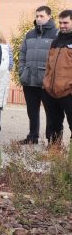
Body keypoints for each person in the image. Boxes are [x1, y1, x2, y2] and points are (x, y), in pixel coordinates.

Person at [18, 5, 58, 144]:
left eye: (42, 16)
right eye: (37, 16)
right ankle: (32, 136)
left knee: (51, 113)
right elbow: (22, 54)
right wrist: (22, 72)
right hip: (29, 80)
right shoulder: (29, 34)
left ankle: (51, 141)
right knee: (32, 112)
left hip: (46, 82)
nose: (39, 19)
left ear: (49, 17)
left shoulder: (56, 34)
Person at [42, 9, 72, 145]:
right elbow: (49, 65)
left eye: (65, 22)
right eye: (60, 22)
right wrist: (46, 83)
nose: (62, 25)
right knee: (53, 124)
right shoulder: (55, 41)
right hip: (51, 92)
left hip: (69, 92)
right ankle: (54, 152)